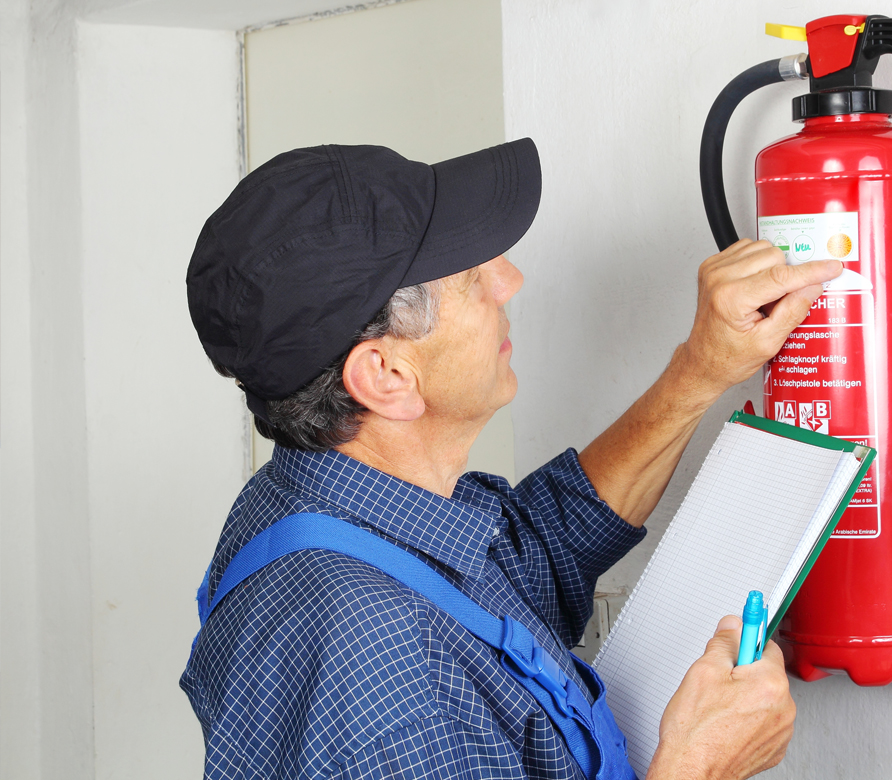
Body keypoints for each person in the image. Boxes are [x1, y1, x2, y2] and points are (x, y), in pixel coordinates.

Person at [182, 138, 841, 780]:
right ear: (386, 376)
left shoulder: (324, 504)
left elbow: (532, 559)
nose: (510, 280)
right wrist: (700, 768)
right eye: (470, 278)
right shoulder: (382, 678)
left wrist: (701, 370)